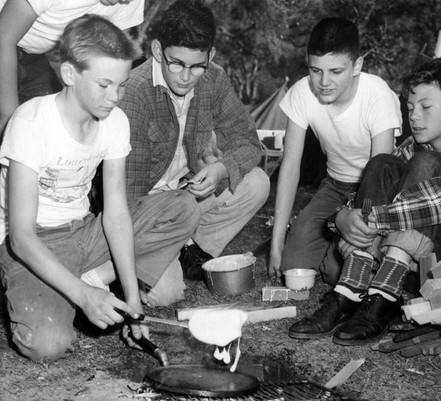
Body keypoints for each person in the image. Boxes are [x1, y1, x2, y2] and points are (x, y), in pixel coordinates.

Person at [291, 55, 441, 345]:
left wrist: (375, 221)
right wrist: (341, 217)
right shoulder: (414, 145)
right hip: (424, 263)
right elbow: (370, 191)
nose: (413, 116)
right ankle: (351, 291)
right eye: (411, 107)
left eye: (426, 107)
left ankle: (384, 293)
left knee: (427, 163)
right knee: (381, 164)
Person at [0, 15, 148, 362]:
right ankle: (73, 288)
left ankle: (82, 281)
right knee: (48, 345)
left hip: (82, 233)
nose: (115, 97)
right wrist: (83, 296)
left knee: (179, 209)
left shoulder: (115, 121)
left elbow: (115, 213)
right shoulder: (30, 122)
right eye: (104, 84)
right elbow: (20, 237)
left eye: (122, 84)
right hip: (34, 240)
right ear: (69, 74)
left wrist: (133, 301)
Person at [119, 0, 270, 298]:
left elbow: (248, 141)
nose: (186, 77)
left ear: (210, 56)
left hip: (187, 193)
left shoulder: (214, 78)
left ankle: (192, 250)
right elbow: (126, 198)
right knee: (165, 295)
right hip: (146, 208)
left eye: (197, 66)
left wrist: (221, 169)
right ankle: (159, 255)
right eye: (176, 63)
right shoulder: (134, 93)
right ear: (158, 50)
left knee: (257, 182)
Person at [268, 18, 402, 286]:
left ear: (357, 65)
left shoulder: (378, 95)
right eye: (316, 70)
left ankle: (339, 242)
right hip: (333, 186)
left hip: (374, 191)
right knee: (291, 267)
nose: (324, 82)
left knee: (334, 272)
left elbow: (381, 173)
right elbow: (290, 166)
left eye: (336, 71)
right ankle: (330, 234)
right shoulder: (301, 92)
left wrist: (362, 226)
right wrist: (277, 241)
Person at [0, 0, 145, 137]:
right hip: (4, 39)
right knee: (12, 122)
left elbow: (115, 62)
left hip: (33, 56)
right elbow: (3, 37)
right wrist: (9, 115)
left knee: (53, 125)